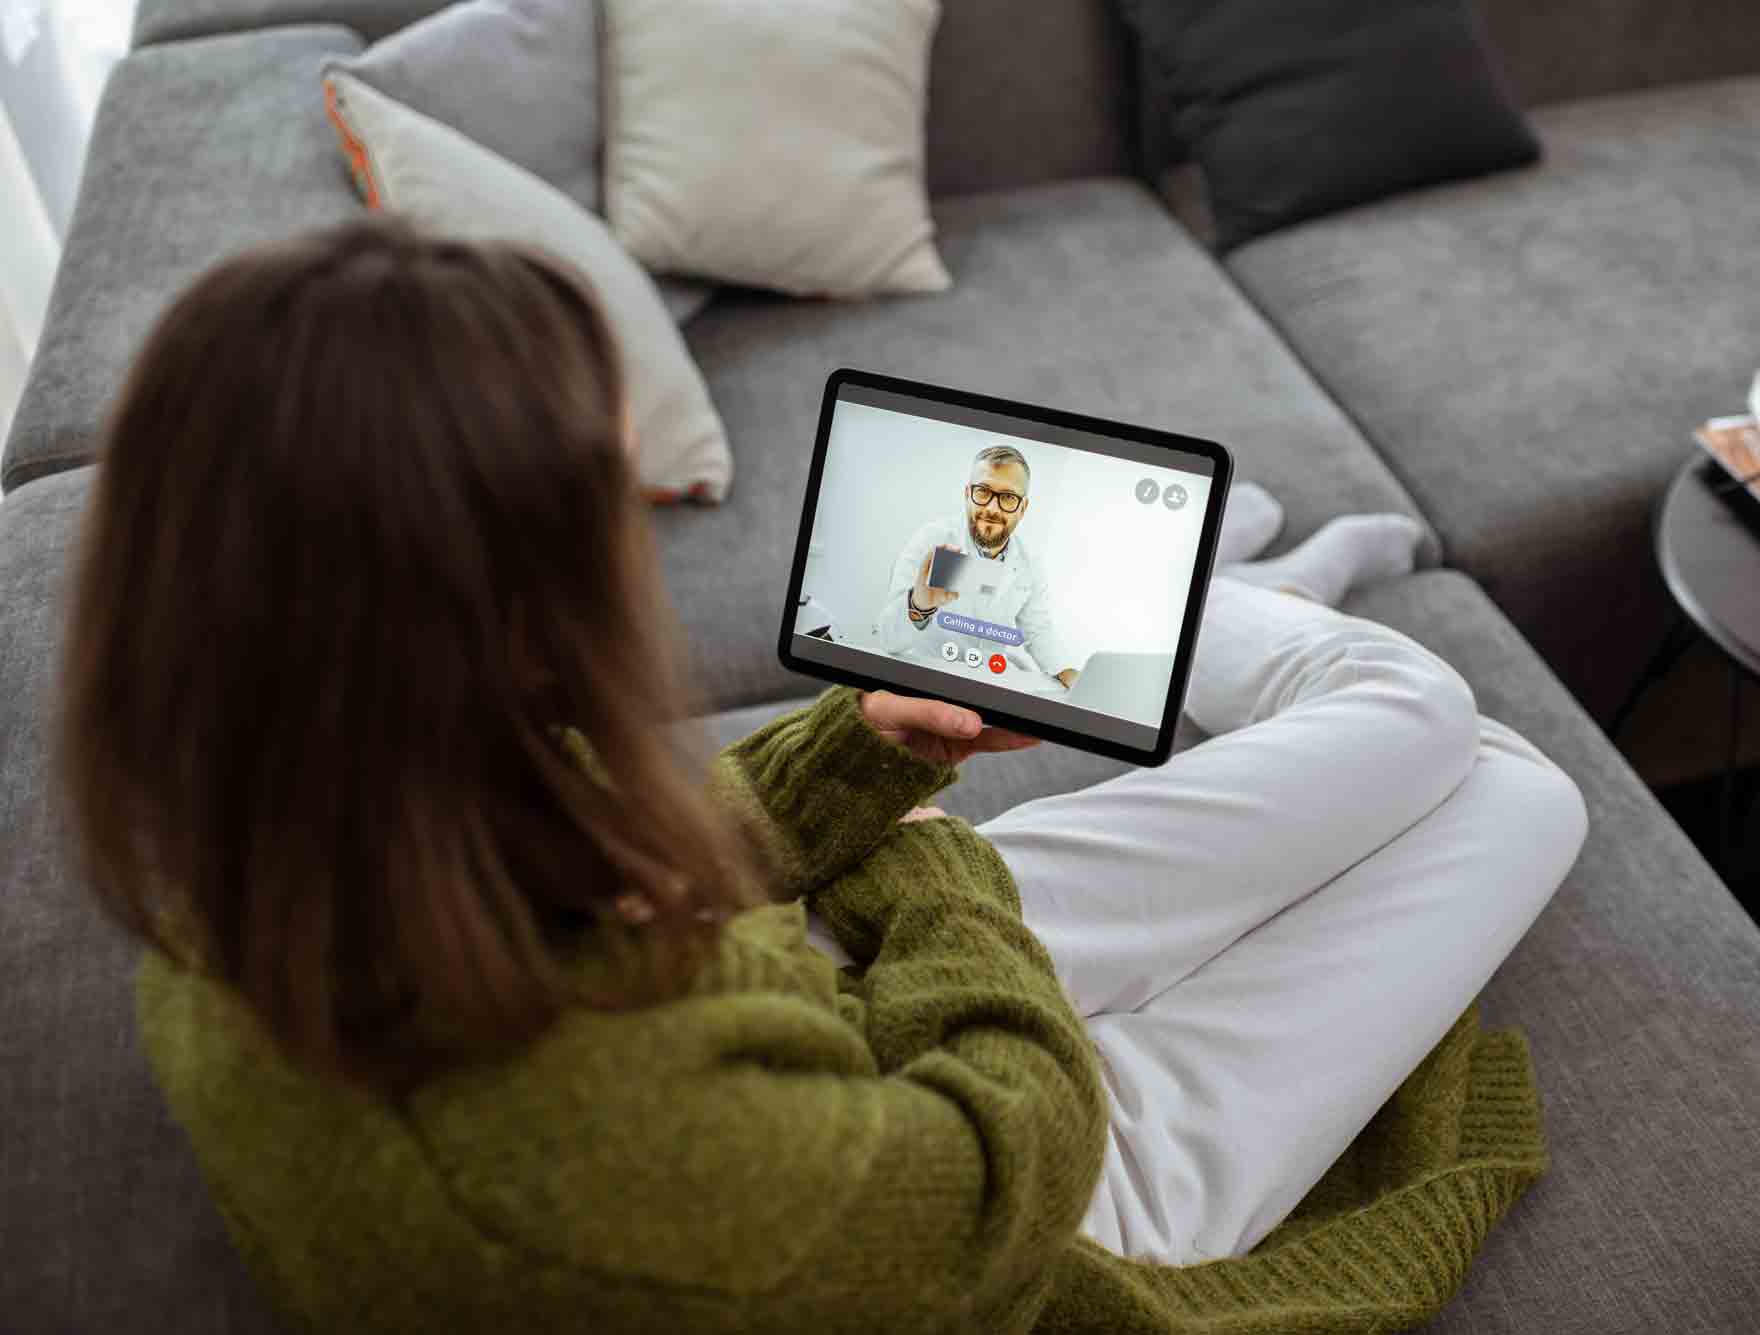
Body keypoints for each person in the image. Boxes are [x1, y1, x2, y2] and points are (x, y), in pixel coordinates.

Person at [59, 218, 1587, 1334]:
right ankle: (1187, 602)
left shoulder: (257, 819)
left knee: (1428, 728)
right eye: (619, 511)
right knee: (1504, 774)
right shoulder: (604, 1174)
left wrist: (853, 752)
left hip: (830, 992)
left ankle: (1194, 603)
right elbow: (1007, 1158)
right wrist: (928, 858)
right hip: (1051, 1177)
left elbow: (606, 865)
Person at [872, 444, 1081, 686]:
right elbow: (888, 638)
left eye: (1008, 497)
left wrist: (1069, 673)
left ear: (1023, 508)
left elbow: (1038, 630)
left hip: (986, 685)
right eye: (983, 491)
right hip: (925, 679)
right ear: (967, 493)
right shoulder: (933, 541)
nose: (992, 508)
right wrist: (918, 605)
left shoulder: (1029, 565)